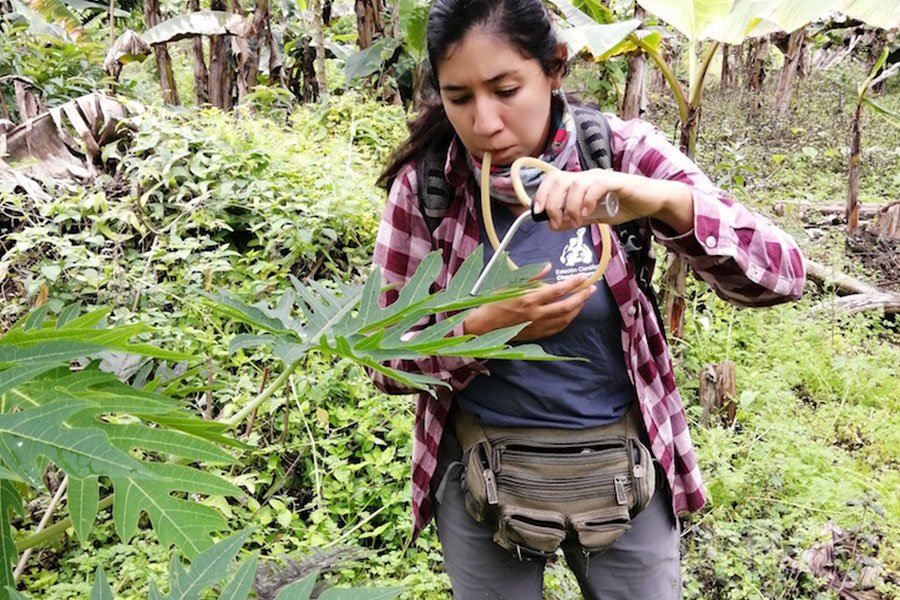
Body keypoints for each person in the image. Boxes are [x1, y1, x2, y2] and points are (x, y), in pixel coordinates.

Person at [368, 0, 806, 597]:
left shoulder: (617, 155)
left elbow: (782, 275)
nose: (485, 120)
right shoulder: (429, 186)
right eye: (460, 97)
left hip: (621, 469)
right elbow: (384, 361)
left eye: (505, 89)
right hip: (480, 470)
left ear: (554, 68)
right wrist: (482, 328)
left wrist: (658, 200)